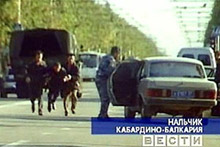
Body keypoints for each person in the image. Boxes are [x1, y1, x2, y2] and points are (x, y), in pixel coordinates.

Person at [95, 46, 120, 118]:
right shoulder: (111, 59)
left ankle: (104, 113)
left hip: (99, 79)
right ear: (116, 53)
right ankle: (102, 114)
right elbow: (110, 71)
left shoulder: (105, 57)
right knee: (105, 98)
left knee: (105, 97)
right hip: (103, 79)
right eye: (118, 54)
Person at [26, 50, 47, 116]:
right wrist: (27, 77)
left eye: (40, 57)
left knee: (40, 96)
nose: (39, 58)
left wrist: (46, 80)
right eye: (38, 57)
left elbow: (47, 73)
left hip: (40, 82)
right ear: (35, 57)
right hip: (32, 82)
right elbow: (27, 71)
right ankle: (32, 103)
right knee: (32, 96)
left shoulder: (44, 65)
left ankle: (40, 109)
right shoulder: (31, 64)